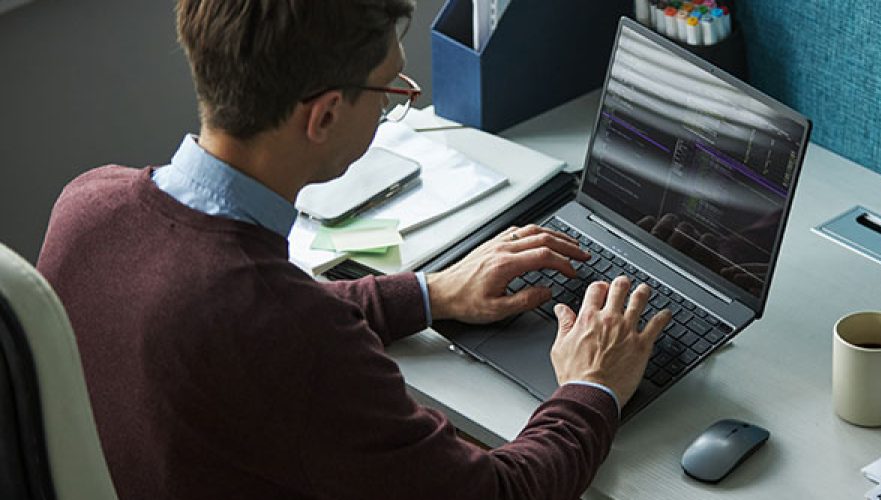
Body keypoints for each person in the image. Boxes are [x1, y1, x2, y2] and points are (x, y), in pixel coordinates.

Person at [36, 1, 670, 498]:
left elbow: (248, 312)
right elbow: (497, 492)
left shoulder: (88, 205)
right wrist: (592, 388)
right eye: (390, 87)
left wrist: (430, 293)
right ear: (325, 116)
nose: (404, 97)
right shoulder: (287, 337)